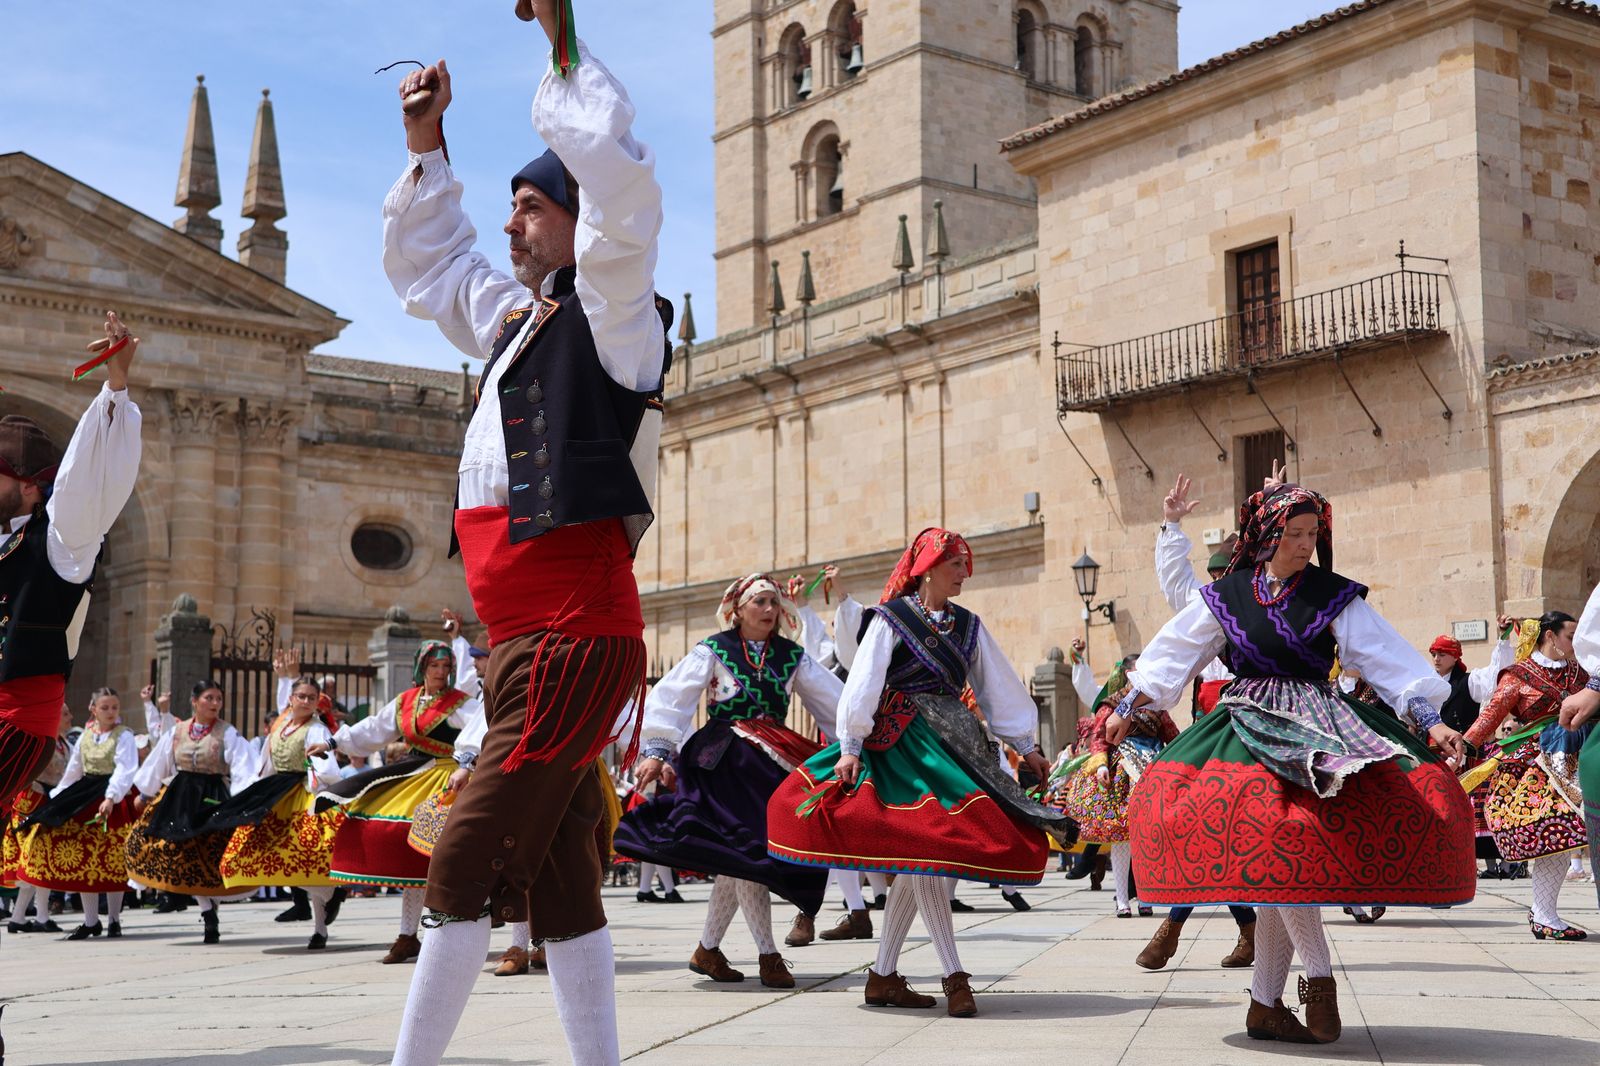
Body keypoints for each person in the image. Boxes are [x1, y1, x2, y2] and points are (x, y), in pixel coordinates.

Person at [379, 3, 668, 1061]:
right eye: (510, 207)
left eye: (532, 207)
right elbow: (439, 266)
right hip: (518, 644)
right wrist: (427, 144)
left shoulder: (619, 317)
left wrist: (562, 50)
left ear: (577, 217)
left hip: (571, 633)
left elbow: (626, 215)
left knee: (461, 858)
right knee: (559, 875)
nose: (512, 225)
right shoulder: (514, 321)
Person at [1109, 483, 1471, 1044]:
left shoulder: (1332, 596)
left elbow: (1385, 659)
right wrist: (1127, 706)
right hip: (1244, 731)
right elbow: (1175, 654)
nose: (1305, 544)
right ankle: (1311, 987)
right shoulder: (1226, 596)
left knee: (1285, 863)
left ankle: (1267, 1004)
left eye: (1311, 534)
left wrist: (1430, 720)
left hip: (1319, 727)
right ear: (1266, 536)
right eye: (1294, 534)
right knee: (1276, 863)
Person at [767, 528, 1056, 1018]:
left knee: (918, 860)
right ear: (927, 569)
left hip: (954, 745)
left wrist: (1026, 746)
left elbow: (997, 687)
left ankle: (882, 976)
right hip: (900, 746)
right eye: (955, 564)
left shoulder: (968, 626)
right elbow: (864, 679)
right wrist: (851, 745)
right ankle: (954, 976)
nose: (964, 573)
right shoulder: (892, 618)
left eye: (965, 564)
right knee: (926, 853)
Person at [615, 574, 842, 989]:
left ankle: (708, 950)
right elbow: (674, 697)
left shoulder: (792, 656)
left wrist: (856, 743)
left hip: (769, 767)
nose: (769, 610)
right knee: (748, 857)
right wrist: (656, 750)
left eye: (774, 602)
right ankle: (769, 956)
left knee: (737, 860)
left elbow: (834, 702)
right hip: (720, 765)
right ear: (737, 609)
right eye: (760, 602)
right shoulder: (714, 650)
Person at [0, 311, 141, 816]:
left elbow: (88, 474)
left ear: (28, 484)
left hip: (16, 723)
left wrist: (115, 386)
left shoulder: (63, 539)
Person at [1136, 474, 1256, 967]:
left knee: (1230, 832)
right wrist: (1171, 525)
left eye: (1226, 575)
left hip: (1259, 731)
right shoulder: (1208, 609)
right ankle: (1202, 926)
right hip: (1213, 736)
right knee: (1202, 824)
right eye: (1215, 578)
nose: (1218, 587)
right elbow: (1178, 587)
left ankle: (1181, 926)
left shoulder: (1262, 609)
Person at [311, 641, 482, 962]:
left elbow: (482, 732)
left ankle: (452, 933)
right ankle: (407, 935)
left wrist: (467, 764)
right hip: (415, 774)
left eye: (446, 667)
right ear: (422, 668)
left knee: (446, 855)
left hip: (451, 777)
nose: (441, 672)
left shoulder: (462, 704)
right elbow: (374, 728)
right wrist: (332, 743)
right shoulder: (406, 701)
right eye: (434, 666)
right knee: (398, 845)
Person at [1464, 612, 1590, 939]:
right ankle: (1544, 914)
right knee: (1557, 835)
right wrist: (1463, 746)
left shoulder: (1581, 672)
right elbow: (1492, 715)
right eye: (1570, 636)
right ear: (1550, 636)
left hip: (1578, 757)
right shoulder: (1519, 675)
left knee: (1569, 837)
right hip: (1535, 766)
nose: (1575, 642)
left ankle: (1543, 913)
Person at [207, 672, 345, 950]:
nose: (306, 701)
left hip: (305, 794)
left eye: (312, 698)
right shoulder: (281, 726)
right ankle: (331, 895)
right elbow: (266, 763)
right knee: (261, 852)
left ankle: (320, 928)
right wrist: (256, 793)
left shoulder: (317, 730)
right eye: (301, 696)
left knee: (305, 858)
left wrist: (322, 787)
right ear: (291, 699)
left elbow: (327, 769)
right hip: (277, 794)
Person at [123, 679, 258, 944]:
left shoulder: (227, 732)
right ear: (195, 701)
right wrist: (146, 793)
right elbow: (160, 761)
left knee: (210, 855)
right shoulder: (177, 731)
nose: (215, 703)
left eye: (218, 699)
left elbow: (243, 766)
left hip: (213, 796)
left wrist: (242, 800)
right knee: (182, 852)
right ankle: (207, 912)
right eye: (209, 698)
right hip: (181, 796)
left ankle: (211, 909)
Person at [18, 688, 138, 939]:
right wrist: (57, 799)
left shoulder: (124, 735)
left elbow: (125, 769)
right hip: (85, 796)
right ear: (93, 709)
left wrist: (111, 797)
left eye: (114, 707)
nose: (110, 712)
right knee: (85, 858)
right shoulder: (85, 736)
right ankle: (91, 920)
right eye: (104, 707)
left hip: (111, 797)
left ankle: (114, 919)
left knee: (112, 860)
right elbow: (73, 771)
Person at [1429, 622, 1516, 878]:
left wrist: (1503, 640)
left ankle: (1475, 862)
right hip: (1433, 760)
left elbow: (1497, 676)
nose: (1436, 658)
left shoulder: (1470, 682)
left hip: (1464, 760)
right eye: (1433, 653)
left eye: (1442, 653)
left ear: (1455, 657)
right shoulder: (1426, 684)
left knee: (1466, 812)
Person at [4, 704, 72, 934]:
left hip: (49, 803)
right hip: (32, 805)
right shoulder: (41, 741)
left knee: (39, 862)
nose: (70, 717)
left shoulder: (64, 743)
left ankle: (21, 917)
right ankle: (37, 916)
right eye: (64, 713)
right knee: (35, 861)